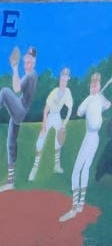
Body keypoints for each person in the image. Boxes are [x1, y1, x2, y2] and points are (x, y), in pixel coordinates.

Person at [60, 73, 109, 222]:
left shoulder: (97, 99)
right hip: (92, 137)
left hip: (92, 138)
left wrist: (98, 97)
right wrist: (95, 98)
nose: (93, 87)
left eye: (96, 85)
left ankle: (75, 207)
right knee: (84, 169)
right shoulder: (92, 99)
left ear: (99, 86)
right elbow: (79, 112)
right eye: (92, 85)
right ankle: (79, 205)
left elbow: (107, 105)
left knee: (78, 170)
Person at [0, 45, 39, 193]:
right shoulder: (31, 75)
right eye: (25, 62)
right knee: (11, 143)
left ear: (34, 62)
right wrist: (16, 68)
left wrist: (15, 69)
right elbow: (18, 88)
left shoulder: (31, 75)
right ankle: (11, 182)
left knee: (4, 91)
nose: (26, 65)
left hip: (21, 109)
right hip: (20, 110)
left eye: (29, 62)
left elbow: (16, 88)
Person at [30, 66, 73, 181]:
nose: (64, 80)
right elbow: (45, 110)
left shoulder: (68, 92)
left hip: (57, 116)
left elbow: (70, 109)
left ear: (68, 79)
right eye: (63, 77)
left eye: (66, 78)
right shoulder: (54, 92)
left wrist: (64, 124)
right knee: (40, 141)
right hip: (49, 116)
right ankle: (35, 168)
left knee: (58, 142)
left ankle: (56, 166)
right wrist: (44, 125)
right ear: (60, 78)